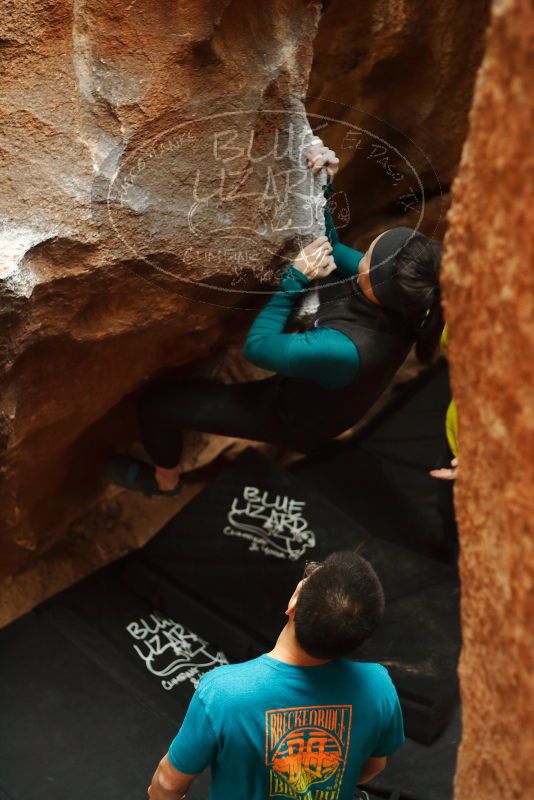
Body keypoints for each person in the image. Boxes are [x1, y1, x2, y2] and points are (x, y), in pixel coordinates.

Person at [109, 137, 443, 496]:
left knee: (159, 405)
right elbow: (328, 246)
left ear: (372, 282)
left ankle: (165, 482)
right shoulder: (405, 294)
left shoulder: (347, 349)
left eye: (367, 257)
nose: (361, 254)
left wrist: (295, 280)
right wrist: (321, 185)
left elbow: (259, 346)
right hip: (325, 376)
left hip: (291, 416)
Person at [147, 551, 404, 800]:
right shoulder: (379, 686)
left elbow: (167, 783)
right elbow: (374, 767)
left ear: (293, 604)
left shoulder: (222, 693)